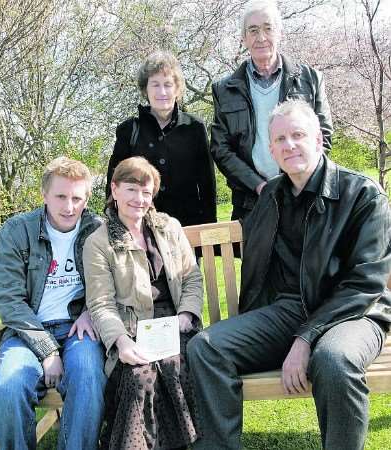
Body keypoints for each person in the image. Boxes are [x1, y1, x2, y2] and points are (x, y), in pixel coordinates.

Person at [188, 99, 391, 450]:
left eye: (298, 135)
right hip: (289, 312)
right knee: (205, 348)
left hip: (354, 314)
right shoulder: (271, 199)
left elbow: (366, 283)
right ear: (271, 150)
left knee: (333, 360)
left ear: (318, 140)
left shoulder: (362, 195)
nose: (289, 145)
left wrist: (305, 339)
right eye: (280, 139)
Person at [0, 157, 107, 450]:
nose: (69, 207)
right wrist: (48, 350)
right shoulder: (17, 231)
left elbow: (114, 283)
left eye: (77, 198)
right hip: (28, 331)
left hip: (79, 328)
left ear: (87, 198)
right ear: (44, 195)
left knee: (89, 378)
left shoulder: (97, 230)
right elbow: (8, 298)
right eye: (60, 196)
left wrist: (92, 310)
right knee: (7, 389)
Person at [84, 156, 203, 449]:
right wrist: (121, 342)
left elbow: (192, 278)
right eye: (131, 190)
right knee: (140, 377)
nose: (140, 199)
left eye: (146, 192)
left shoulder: (169, 227)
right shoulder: (99, 243)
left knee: (178, 365)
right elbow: (101, 303)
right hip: (132, 328)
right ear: (114, 190)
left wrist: (187, 314)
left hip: (175, 323)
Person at [211, 0, 333, 221]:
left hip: (304, 199)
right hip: (251, 203)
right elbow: (221, 149)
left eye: (268, 28)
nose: (261, 37)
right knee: (257, 257)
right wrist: (259, 186)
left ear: (280, 33)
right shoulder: (224, 89)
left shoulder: (310, 80)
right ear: (244, 38)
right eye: (253, 30)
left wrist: (297, 179)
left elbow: (323, 135)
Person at [106, 50, 216, 227]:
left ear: (177, 89)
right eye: (155, 85)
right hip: (141, 229)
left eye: (168, 84)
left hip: (186, 229)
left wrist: (209, 233)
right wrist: (114, 225)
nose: (162, 91)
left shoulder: (194, 128)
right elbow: (113, 182)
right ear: (145, 90)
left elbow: (207, 184)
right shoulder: (128, 130)